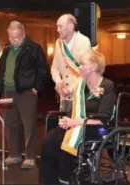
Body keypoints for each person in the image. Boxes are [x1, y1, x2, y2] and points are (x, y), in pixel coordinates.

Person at [39, 51, 116, 185]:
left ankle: (65, 177)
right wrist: (65, 120)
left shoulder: (108, 86)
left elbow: (102, 119)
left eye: (82, 64)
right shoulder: (81, 84)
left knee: (62, 140)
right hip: (77, 123)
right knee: (48, 139)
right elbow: (72, 107)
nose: (79, 67)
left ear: (93, 67)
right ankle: (48, 181)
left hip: (98, 128)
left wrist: (73, 122)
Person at [0, 21, 48, 169]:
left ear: (23, 34)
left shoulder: (33, 48)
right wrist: (0, 86)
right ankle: (14, 155)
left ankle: (30, 157)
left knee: (29, 126)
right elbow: (1, 69)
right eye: (11, 37)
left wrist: (36, 88)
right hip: (8, 90)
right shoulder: (6, 49)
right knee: (11, 125)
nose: (14, 40)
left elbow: (43, 70)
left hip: (26, 92)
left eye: (17, 37)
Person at [51, 13, 92, 113]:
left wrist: (70, 89)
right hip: (63, 96)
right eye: (57, 26)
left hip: (79, 93)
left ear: (70, 26)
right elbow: (54, 68)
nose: (57, 29)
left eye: (60, 26)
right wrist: (58, 82)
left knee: (76, 126)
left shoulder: (84, 41)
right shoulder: (58, 43)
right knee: (64, 125)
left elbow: (86, 72)